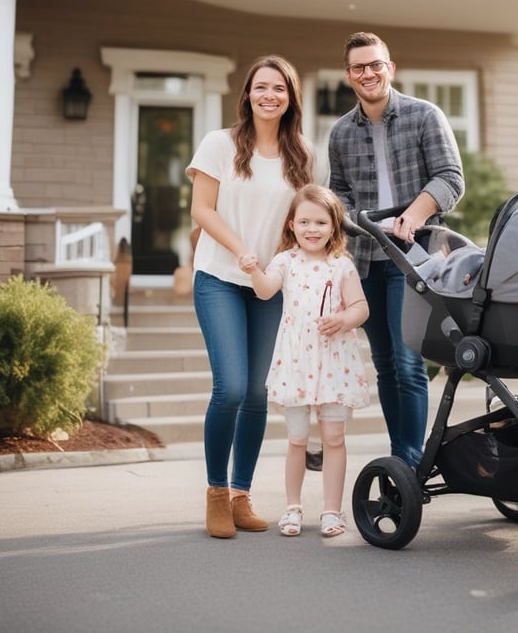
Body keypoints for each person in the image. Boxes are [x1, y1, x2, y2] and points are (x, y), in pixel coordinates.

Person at [187, 55, 314, 539]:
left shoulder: (302, 155)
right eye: (261, 87)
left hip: (271, 286)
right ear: (247, 94)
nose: (269, 95)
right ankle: (216, 493)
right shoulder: (220, 143)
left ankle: (241, 495)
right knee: (232, 389)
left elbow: (303, 224)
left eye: (279, 89)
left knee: (260, 393)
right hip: (220, 277)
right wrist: (243, 252)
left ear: (290, 98)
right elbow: (202, 209)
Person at [328, 31, 464, 468]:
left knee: (408, 364)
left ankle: (411, 463)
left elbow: (450, 178)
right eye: (358, 67)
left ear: (390, 67)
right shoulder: (341, 133)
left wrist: (414, 216)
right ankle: (401, 457)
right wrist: (351, 222)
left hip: (416, 260)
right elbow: (339, 194)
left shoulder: (425, 116)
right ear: (349, 75)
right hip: (366, 261)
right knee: (385, 363)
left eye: (375, 65)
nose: (367, 73)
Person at [240, 184, 370, 537]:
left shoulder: (341, 265)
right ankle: (293, 508)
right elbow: (265, 290)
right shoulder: (286, 261)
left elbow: (361, 308)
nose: (312, 229)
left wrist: (344, 319)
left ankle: (331, 511)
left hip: (334, 361)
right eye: (304, 222)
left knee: (334, 438)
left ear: (334, 227)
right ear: (291, 225)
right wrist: (253, 269)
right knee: (297, 439)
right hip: (296, 361)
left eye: (321, 223)